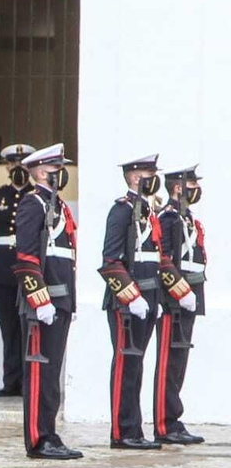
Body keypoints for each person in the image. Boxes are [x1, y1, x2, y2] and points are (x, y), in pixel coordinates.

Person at [13, 144, 82, 460]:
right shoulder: (32, 203)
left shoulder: (56, 204)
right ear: (41, 172)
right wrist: (39, 299)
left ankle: (50, 433)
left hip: (61, 300)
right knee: (41, 372)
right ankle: (39, 439)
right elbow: (26, 258)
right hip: (44, 302)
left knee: (52, 372)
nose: (61, 173)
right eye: (56, 167)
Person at [99, 154, 165, 450]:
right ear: (134, 176)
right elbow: (111, 261)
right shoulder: (122, 210)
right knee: (126, 364)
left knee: (136, 366)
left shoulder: (148, 210)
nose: (153, 176)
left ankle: (134, 429)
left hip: (148, 297)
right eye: (148, 172)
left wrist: (156, 297)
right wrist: (131, 296)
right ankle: (122, 432)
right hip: (127, 302)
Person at [155, 165, 205, 444]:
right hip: (175, 299)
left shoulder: (186, 218)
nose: (196, 188)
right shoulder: (169, 218)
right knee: (168, 363)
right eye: (192, 183)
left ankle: (173, 419)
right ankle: (165, 423)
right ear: (178, 187)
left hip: (190, 295)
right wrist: (180, 291)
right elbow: (164, 259)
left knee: (179, 361)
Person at [0, 143, 35, 396]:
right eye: (14, 163)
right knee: (9, 327)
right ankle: (11, 381)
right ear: (6, 166)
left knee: (28, 325)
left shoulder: (37, 196)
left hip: (30, 269)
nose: (18, 168)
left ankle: (28, 381)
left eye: (23, 163)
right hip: (4, 269)